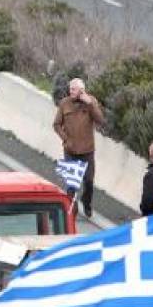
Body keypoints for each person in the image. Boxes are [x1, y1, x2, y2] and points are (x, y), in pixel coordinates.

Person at [53, 78, 105, 218]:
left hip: (87, 151)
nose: (71, 92)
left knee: (88, 181)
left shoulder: (91, 101)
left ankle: (86, 203)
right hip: (70, 150)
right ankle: (71, 210)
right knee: (72, 184)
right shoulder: (64, 103)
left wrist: (91, 105)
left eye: (73, 89)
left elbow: (101, 120)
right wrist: (65, 139)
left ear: (82, 90)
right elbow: (56, 124)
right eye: (70, 89)